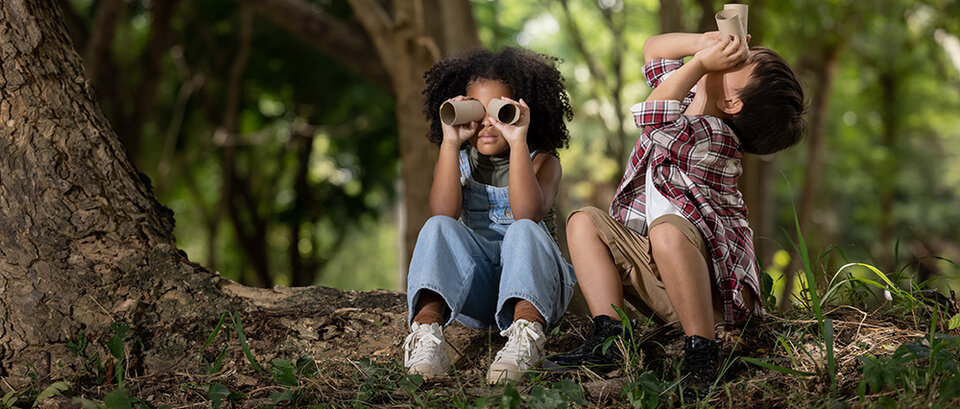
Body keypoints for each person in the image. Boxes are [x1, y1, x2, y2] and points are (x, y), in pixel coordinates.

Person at [544, 31, 806, 403]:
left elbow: (652, 117)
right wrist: (701, 43)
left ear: (731, 103)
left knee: (667, 230)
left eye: (738, 63)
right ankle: (610, 335)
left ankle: (702, 353)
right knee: (584, 221)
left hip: (713, 301)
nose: (727, 56)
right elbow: (653, 49)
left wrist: (700, 63)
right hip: (669, 282)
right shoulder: (687, 100)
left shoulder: (714, 137)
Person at [402, 47, 576, 384]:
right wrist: (450, 143)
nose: (486, 122)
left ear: (522, 110)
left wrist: (519, 139)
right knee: (436, 226)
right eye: (476, 109)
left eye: (499, 110)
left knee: (523, 229)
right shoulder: (461, 159)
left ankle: (526, 335)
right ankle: (427, 334)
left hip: (536, 288)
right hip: (481, 290)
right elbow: (443, 213)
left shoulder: (543, 162)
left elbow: (528, 212)